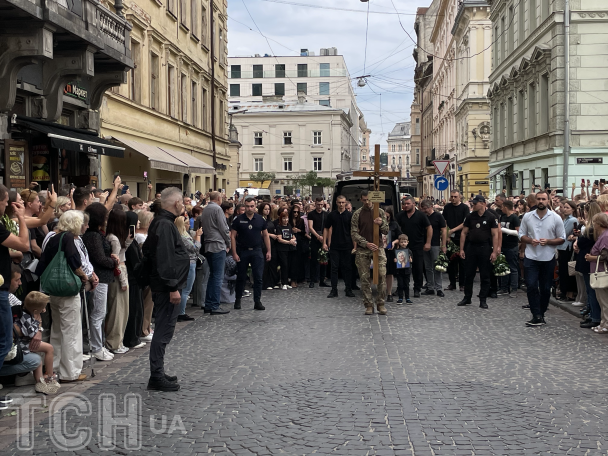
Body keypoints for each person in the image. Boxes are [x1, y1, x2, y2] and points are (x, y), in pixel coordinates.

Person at [142, 187, 190, 391]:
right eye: (182, 202)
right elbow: (165, 259)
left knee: (164, 331)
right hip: (166, 288)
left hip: (165, 285)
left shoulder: (162, 223)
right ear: (176, 203)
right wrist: (172, 287)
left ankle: (158, 372)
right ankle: (156, 375)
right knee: (163, 331)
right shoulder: (164, 225)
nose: (184, 206)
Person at [37, 210, 90, 382]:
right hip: (67, 289)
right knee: (71, 331)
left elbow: (43, 263)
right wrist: (83, 276)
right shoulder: (67, 238)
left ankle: (56, 367)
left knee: (57, 330)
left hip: (53, 289)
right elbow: (74, 260)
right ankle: (70, 372)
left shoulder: (52, 238)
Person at [519, 191, 566, 326]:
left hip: (548, 257)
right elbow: (521, 234)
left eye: (543, 199)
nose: (541, 201)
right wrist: (529, 240)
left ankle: (542, 312)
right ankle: (536, 315)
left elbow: (562, 238)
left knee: (545, 288)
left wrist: (549, 241)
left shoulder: (555, 218)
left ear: (548, 201)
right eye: (538, 199)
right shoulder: (528, 217)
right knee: (532, 285)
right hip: (531, 256)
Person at [82, 203, 118, 362]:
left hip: (102, 276)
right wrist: (114, 262)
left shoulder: (96, 234)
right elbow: (99, 258)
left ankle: (98, 344)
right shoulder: (93, 236)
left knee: (99, 313)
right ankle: (96, 347)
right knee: (98, 313)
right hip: (99, 277)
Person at [455, 195, 500, 309]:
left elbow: (495, 234)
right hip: (471, 247)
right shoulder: (470, 216)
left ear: (483, 203)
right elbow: (464, 233)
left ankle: (483, 299)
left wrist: (495, 251)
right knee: (468, 274)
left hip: (485, 247)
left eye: (475, 203)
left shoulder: (491, 216)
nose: (473, 205)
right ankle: (467, 297)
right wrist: (461, 249)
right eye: (472, 203)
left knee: (485, 275)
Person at [13, 291, 60, 394]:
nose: (44, 310)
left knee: (39, 360)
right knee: (49, 348)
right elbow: (31, 333)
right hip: (23, 344)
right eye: (43, 308)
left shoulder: (25, 312)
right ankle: (50, 376)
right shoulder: (26, 317)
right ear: (35, 310)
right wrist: (38, 322)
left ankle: (40, 382)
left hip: (25, 342)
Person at [351, 190, 389, 315]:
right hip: (363, 249)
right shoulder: (357, 213)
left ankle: (381, 303)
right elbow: (354, 233)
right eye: (364, 200)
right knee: (364, 277)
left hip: (378, 247)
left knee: (382, 275)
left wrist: (381, 223)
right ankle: (368, 304)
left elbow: (386, 230)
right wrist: (365, 243)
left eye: (369, 199)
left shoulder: (380, 212)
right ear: (361, 200)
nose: (367, 202)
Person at [231, 197, 271, 310]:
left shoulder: (260, 219)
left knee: (258, 277)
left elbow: (266, 235)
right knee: (241, 277)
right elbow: (233, 237)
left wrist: (268, 251)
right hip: (243, 251)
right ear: (244, 206)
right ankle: (238, 299)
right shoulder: (238, 219)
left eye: (252, 206)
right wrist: (234, 253)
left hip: (257, 250)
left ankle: (257, 301)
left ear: (255, 206)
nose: (250, 208)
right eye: (247, 206)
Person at [201, 191, 231, 315]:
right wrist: (228, 242)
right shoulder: (217, 209)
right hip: (218, 244)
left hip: (208, 244)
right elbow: (223, 227)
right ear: (219, 198)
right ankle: (214, 305)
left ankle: (208, 304)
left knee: (212, 276)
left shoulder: (206, 209)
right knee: (217, 277)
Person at [105, 209, 131, 354]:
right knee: (118, 310)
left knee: (120, 309)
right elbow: (117, 260)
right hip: (119, 273)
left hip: (120, 272)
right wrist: (123, 281)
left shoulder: (114, 237)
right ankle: (114, 342)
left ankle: (117, 341)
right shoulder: (114, 238)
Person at [396, 196, 432, 298]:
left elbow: (429, 228)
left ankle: (417, 288)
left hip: (417, 245)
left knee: (418, 268)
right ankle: (401, 288)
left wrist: (428, 242)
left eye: (408, 203)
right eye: (404, 204)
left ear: (413, 204)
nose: (406, 206)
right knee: (401, 269)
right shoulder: (400, 215)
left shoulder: (421, 215)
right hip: (403, 247)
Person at [323, 195, 354, 298]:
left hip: (347, 245)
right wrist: (325, 243)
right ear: (336, 202)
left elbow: (353, 232)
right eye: (339, 202)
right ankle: (334, 290)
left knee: (347, 268)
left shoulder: (350, 215)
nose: (341, 204)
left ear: (346, 203)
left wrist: (355, 246)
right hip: (335, 245)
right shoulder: (332, 215)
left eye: (343, 202)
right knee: (334, 268)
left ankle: (348, 289)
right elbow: (326, 228)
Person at [175, 215, 201, 322]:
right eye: (187, 223)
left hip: (187, 262)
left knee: (184, 289)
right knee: (186, 289)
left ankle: (180, 311)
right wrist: (198, 236)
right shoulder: (182, 237)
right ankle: (181, 312)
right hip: (189, 263)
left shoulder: (182, 235)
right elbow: (195, 248)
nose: (189, 225)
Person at [442, 190, 469, 292]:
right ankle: (452, 283)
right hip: (450, 238)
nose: (453, 198)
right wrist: (447, 235)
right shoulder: (447, 207)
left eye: (455, 197)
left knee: (462, 262)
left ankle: (462, 284)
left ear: (460, 197)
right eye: (452, 196)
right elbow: (444, 222)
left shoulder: (464, 208)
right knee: (451, 262)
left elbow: (465, 223)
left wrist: (453, 230)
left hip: (461, 237)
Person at [585, 213, 608, 334]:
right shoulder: (603, 235)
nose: (593, 225)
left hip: (601, 272)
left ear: (599, 223)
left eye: (594, 222)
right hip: (598, 271)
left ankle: (606, 324)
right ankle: (603, 322)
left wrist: (591, 257)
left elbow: (604, 256)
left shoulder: (605, 236)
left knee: (604, 300)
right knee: (602, 300)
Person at [420, 200, 447, 297]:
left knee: (437, 267)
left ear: (431, 207)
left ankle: (439, 288)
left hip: (435, 243)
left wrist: (443, 245)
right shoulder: (423, 216)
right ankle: (430, 287)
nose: (424, 210)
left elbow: (444, 231)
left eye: (425, 208)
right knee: (428, 267)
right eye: (423, 208)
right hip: (424, 244)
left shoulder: (438, 216)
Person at [498, 200, 521, 298]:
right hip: (503, 245)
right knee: (503, 267)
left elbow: (518, 232)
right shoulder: (502, 217)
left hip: (512, 246)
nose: (501, 209)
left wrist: (504, 230)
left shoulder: (514, 218)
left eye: (502, 207)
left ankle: (514, 288)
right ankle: (503, 288)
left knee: (513, 268)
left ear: (506, 207)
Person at [557, 200, 578, 301]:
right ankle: (564, 291)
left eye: (567, 208)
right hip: (562, 247)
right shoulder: (565, 219)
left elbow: (563, 233)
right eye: (564, 207)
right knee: (562, 271)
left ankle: (568, 292)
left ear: (573, 209)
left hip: (567, 248)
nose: (564, 209)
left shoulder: (572, 220)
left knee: (566, 271)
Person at [308, 197, 329, 288]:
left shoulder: (326, 214)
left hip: (324, 239)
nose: (320, 206)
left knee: (324, 260)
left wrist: (324, 238)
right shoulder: (311, 214)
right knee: (314, 260)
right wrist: (318, 236)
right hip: (315, 239)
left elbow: (328, 227)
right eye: (318, 204)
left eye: (321, 204)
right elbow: (310, 227)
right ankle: (312, 280)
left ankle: (322, 280)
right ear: (315, 204)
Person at [382, 207, 401, 301]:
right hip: (380, 250)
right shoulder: (378, 223)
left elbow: (400, 236)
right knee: (378, 272)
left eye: (387, 215)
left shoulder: (394, 224)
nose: (386, 217)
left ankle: (389, 293)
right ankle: (380, 291)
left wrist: (394, 242)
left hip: (390, 250)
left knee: (389, 272)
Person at [274, 208, 296, 290]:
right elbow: (279, 239)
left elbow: (293, 236)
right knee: (284, 265)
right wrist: (289, 242)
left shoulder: (289, 226)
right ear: (281, 219)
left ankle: (286, 282)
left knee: (288, 265)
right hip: (282, 249)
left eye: (286, 218)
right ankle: (283, 282)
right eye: (284, 218)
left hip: (289, 249)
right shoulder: (279, 227)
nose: (285, 220)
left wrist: (292, 240)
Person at [260, 203, 279, 290]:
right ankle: (265, 283)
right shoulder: (260, 219)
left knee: (273, 262)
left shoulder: (269, 219)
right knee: (265, 263)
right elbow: (260, 232)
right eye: (265, 209)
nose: (267, 211)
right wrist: (270, 235)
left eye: (268, 209)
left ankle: (273, 281)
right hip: (264, 242)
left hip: (273, 243)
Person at [394, 234, 413, 304]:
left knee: (406, 285)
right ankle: (400, 298)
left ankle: (407, 298)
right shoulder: (396, 251)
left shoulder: (409, 251)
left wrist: (410, 260)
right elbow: (396, 260)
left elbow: (411, 260)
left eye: (404, 242)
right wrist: (395, 261)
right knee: (400, 285)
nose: (403, 243)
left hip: (407, 271)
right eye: (401, 242)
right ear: (399, 242)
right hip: (399, 271)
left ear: (407, 242)